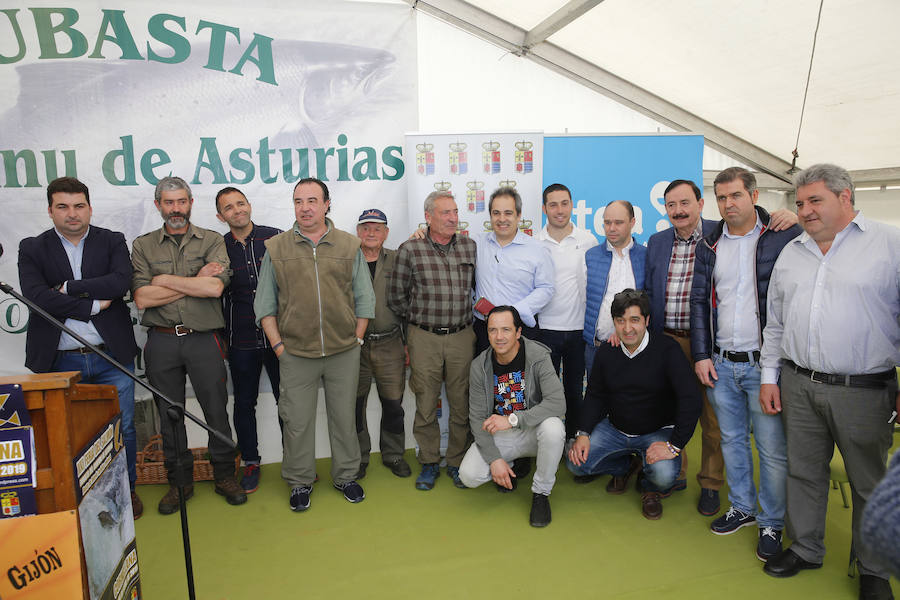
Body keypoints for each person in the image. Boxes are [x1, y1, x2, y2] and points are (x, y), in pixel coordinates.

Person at [759, 164, 899, 600]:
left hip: (864, 388)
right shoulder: (792, 252)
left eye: (814, 200)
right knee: (804, 473)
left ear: (846, 197)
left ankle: (874, 568)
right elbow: (776, 324)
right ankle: (805, 548)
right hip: (798, 382)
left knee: (869, 482)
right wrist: (769, 376)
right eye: (799, 203)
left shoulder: (889, 244)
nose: (805, 210)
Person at [647, 178, 798, 516]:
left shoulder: (720, 233)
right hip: (667, 342)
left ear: (701, 204)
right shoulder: (656, 242)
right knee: (671, 412)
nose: (678, 211)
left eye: (685, 203)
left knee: (714, 420)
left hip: (710, 344)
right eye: (671, 205)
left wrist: (789, 216)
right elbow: (648, 290)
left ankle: (712, 484)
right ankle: (676, 473)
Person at [690, 167, 801, 561]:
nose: (728, 204)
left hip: (765, 367)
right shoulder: (710, 243)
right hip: (721, 363)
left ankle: (772, 521)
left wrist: (798, 218)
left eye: (735, 195)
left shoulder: (783, 236)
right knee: (732, 440)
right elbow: (699, 302)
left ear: (753, 196)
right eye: (721, 198)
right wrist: (701, 355)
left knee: (771, 449)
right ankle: (743, 508)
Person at [18, 177, 143, 517]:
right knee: (67, 434)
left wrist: (69, 287)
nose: (71, 214)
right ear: (50, 210)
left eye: (78, 206)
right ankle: (78, 499)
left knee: (124, 427)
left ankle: (126, 492)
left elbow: (120, 282)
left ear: (89, 208)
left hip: (110, 356)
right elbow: (37, 297)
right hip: (60, 362)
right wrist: (92, 305)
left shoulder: (112, 240)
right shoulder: (32, 248)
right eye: (63, 206)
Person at [254, 178, 375, 512]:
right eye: (298, 201)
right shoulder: (276, 248)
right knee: (296, 421)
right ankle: (299, 482)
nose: (304, 207)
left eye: (311, 200)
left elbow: (365, 298)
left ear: (326, 204)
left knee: (344, 419)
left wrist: (358, 339)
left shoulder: (350, 246)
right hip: (295, 354)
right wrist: (279, 348)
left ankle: (346, 476)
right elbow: (264, 306)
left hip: (343, 353)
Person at [132, 176, 245, 514]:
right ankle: (179, 485)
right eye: (169, 202)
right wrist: (196, 279)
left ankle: (225, 476)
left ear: (191, 202)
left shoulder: (211, 240)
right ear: (158, 206)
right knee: (170, 417)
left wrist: (165, 281)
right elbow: (141, 297)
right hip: (162, 341)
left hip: (204, 339)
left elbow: (214, 289)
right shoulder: (144, 245)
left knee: (215, 411)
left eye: (182, 201)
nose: (176, 209)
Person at [568, 289, 701, 520]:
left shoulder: (668, 350)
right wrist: (583, 432)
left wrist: (674, 445)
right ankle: (625, 466)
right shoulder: (607, 352)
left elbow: (691, 398)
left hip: (657, 432)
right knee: (576, 464)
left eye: (634, 320)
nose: (627, 328)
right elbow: (595, 395)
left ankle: (650, 487)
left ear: (647, 321)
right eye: (620, 321)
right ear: (614, 323)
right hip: (616, 429)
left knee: (665, 476)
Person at [388, 190, 477, 490]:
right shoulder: (409, 249)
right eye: (446, 213)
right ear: (428, 217)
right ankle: (428, 462)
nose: (453, 218)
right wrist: (416, 327)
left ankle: (456, 461)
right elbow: (397, 298)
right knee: (425, 403)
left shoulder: (470, 246)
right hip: (423, 337)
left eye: (455, 212)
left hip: (462, 336)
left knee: (461, 402)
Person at [459, 305, 566, 527]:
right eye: (493, 330)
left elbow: (557, 404)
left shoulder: (538, 356)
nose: (499, 337)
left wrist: (512, 419)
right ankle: (510, 462)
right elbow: (478, 419)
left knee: (554, 428)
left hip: (532, 430)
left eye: (506, 329)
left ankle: (541, 494)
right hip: (502, 435)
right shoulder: (480, 365)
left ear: (518, 332)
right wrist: (495, 460)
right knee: (468, 476)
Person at [215, 187, 281, 493]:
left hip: (281, 338)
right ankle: (251, 461)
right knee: (243, 404)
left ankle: (297, 460)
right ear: (221, 216)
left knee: (289, 402)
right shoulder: (218, 247)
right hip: (240, 339)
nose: (236, 210)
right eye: (229, 208)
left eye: (240, 203)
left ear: (249, 205)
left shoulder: (276, 237)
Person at [537, 183, 598, 440]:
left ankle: (572, 441)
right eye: (553, 204)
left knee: (574, 391)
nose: (559, 210)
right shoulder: (534, 243)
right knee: (544, 393)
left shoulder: (588, 240)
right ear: (544, 209)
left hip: (578, 330)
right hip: (543, 331)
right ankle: (547, 441)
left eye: (564, 203)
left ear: (571, 205)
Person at [354, 208, 410, 480]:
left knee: (393, 405)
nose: (371, 233)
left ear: (386, 233)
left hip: (390, 343)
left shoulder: (399, 260)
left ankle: (393, 455)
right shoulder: (347, 260)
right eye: (366, 228)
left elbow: (411, 303)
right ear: (358, 232)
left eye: (377, 228)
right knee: (355, 405)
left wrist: (409, 343)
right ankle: (359, 456)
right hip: (355, 346)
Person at [472, 186, 554, 354]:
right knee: (486, 378)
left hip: (521, 330)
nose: (502, 219)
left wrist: (514, 313)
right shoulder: (476, 244)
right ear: (490, 216)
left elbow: (547, 288)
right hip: (484, 331)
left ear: (518, 215)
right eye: (496, 213)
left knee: (520, 379)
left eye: (508, 213)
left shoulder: (537, 249)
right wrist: (422, 232)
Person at [583, 200, 645, 376]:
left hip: (635, 349)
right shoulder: (591, 256)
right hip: (597, 348)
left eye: (618, 223)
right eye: (607, 222)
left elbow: (650, 303)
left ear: (632, 223)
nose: (611, 228)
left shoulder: (646, 257)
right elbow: (583, 298)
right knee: (597, 400)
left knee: (633, 400)